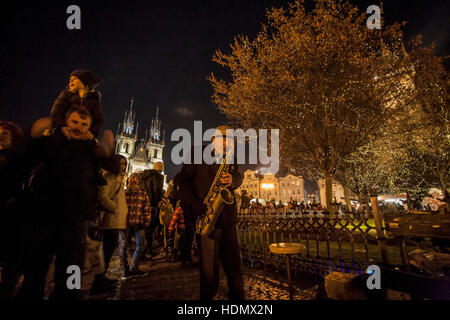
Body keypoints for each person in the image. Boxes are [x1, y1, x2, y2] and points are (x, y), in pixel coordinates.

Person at [18, 106, 114, 300]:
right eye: (75, 122)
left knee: (72, 265)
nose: (79, 127)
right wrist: (39, 129)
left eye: (83, 124)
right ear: (65, 122)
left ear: (89, 126)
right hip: (47, 214)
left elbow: (112, 166)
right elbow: (27, 152)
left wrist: (106, 149)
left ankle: (69, 295)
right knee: (37, 263)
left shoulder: (90, 147)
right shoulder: (53, 140)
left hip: (78, 216)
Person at [179, 125, 244, 300]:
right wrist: (194, 204)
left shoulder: (230, 157)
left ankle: (238, 298)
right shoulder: (196, 152)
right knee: (208, 270)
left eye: (231, 141)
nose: (228, 144)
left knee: (234, 266)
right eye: (226, 139)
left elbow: (239, 176)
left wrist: (233, 180)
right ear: (214, 139)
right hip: (206, 217)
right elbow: (183, 181)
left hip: (228, 218)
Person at [90, 155, 128, 294]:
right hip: (111, 220)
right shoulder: (111, 178)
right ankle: (98, 282)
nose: (123, 166)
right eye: (120, 163)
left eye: (124, 163)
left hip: (116, 220)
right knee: (106, 252)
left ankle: (102, 278)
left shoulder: (117, 178)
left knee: (108, 252)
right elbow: (103, 197)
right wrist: (114, 208)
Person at [0, 121, 27, 299]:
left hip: (12, 219)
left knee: (11, 265)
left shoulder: (18, 160)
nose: (1, 136)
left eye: (5, 133)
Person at [51, 69, 103, 137]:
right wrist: (61, 126)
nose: (71, 81)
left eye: (75, 79)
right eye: (70, 80)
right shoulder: (66, 95)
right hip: (66, 130)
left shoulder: (93, 100)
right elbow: (57, 111)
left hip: (83, 133)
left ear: (85, 83)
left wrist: (92, 132)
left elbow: (98, 119)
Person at [120, 173, 151, 280]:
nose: (134, 180)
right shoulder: (123, 192)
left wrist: (146, 222)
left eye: (137, 178)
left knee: (142, 244)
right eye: (133, 177)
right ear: (129, 179)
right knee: (123, 246)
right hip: (125, 222)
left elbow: (147, 208)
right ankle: (124, 270)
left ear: (139, 181)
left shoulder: (143, 193)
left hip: (138, 222)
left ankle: (133, 268)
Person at [141, 161, 164, 258]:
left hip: (143, 204)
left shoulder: (143, 175)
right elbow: (156, 189)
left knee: (144, 228)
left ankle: (142, 250)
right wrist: (158, 201)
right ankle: (148, 250)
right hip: (152, 205)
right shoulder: (158, 176)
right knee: (150, 228)